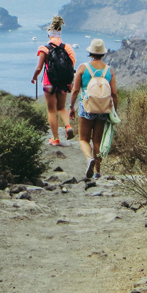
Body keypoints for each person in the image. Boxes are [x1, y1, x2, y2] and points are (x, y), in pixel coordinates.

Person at [69, 38, 117, 180]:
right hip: (102, 109)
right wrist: (114, 111)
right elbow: (114, 93)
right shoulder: (109, 70)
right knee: (97, 140)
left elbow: (75, 90)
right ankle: (97, 171)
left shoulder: (83, 68)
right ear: (103, 54)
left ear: (90, 52)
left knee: (83, 139)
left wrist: (71, 107)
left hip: (86, 107)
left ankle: (89, 158)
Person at [31, 16, 77, 146]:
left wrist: (34, 77)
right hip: (63, 82)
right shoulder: (68, 48)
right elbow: (71, 65)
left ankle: (56, 139)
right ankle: (68, 126)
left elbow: (39, 67)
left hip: (49, 83)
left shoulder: (44, 48)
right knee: (61, 107)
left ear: (49, 34)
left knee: (51, 110)